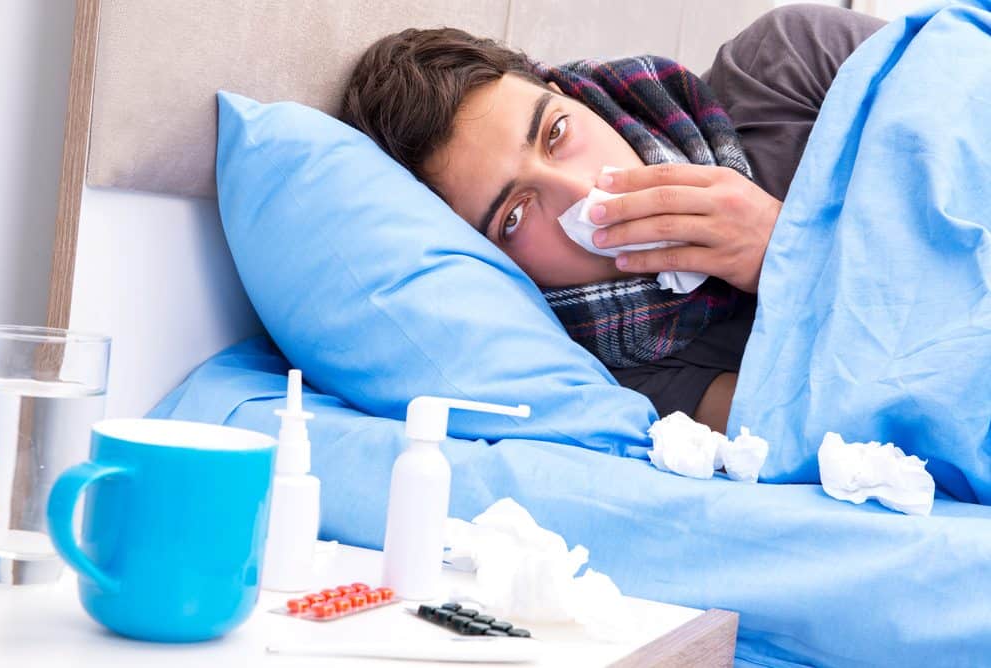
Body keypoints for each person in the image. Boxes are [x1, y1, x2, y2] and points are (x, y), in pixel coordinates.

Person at [341, 4, 886, 433]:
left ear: (570, 97)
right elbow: (890, 429)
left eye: (556, 133)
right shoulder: (630, 380)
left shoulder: (789, 62)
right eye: (514, 215)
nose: (583, 189)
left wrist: (780, 234)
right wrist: (793, 264)